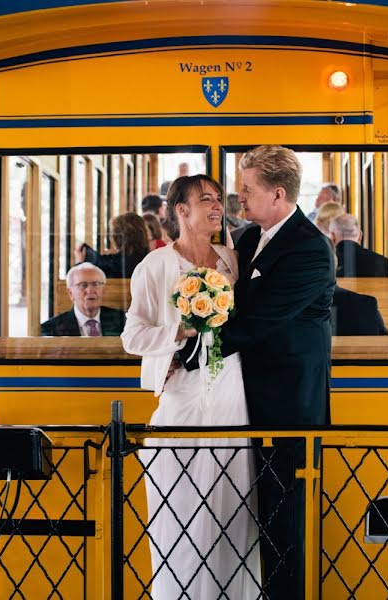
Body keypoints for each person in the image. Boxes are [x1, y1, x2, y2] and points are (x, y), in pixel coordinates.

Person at [121, 174, 261, 599]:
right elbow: (133, 336)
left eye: (219, 199)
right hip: (182, 390)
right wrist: (180, 331)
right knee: (180, 500)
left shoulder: (233, 261)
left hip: (230, 387)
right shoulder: (156, 266)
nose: (217, 206)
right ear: (181, 211)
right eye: (206, 200)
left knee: (234, 496)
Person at [222, 144, 335, 600]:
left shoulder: (310, 248)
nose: (239, 199)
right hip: (244, 401)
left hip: (289, 409)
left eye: (246, 190)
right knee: (250, 514)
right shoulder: (249, 239)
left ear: (279, 193)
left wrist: (188, 355)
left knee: (284, 521)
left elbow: (257, 321)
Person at [40, 263, 125, 336]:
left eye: (96, 284)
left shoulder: (123, 321)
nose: (90, 290)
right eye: (83, 285)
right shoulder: (51, 330)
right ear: (70, 293)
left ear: (103, 290)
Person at [76, 212, 150, 278]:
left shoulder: (109, 264)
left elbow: (78, 279)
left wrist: (80, 262)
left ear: (117, 238)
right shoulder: (149, 259)